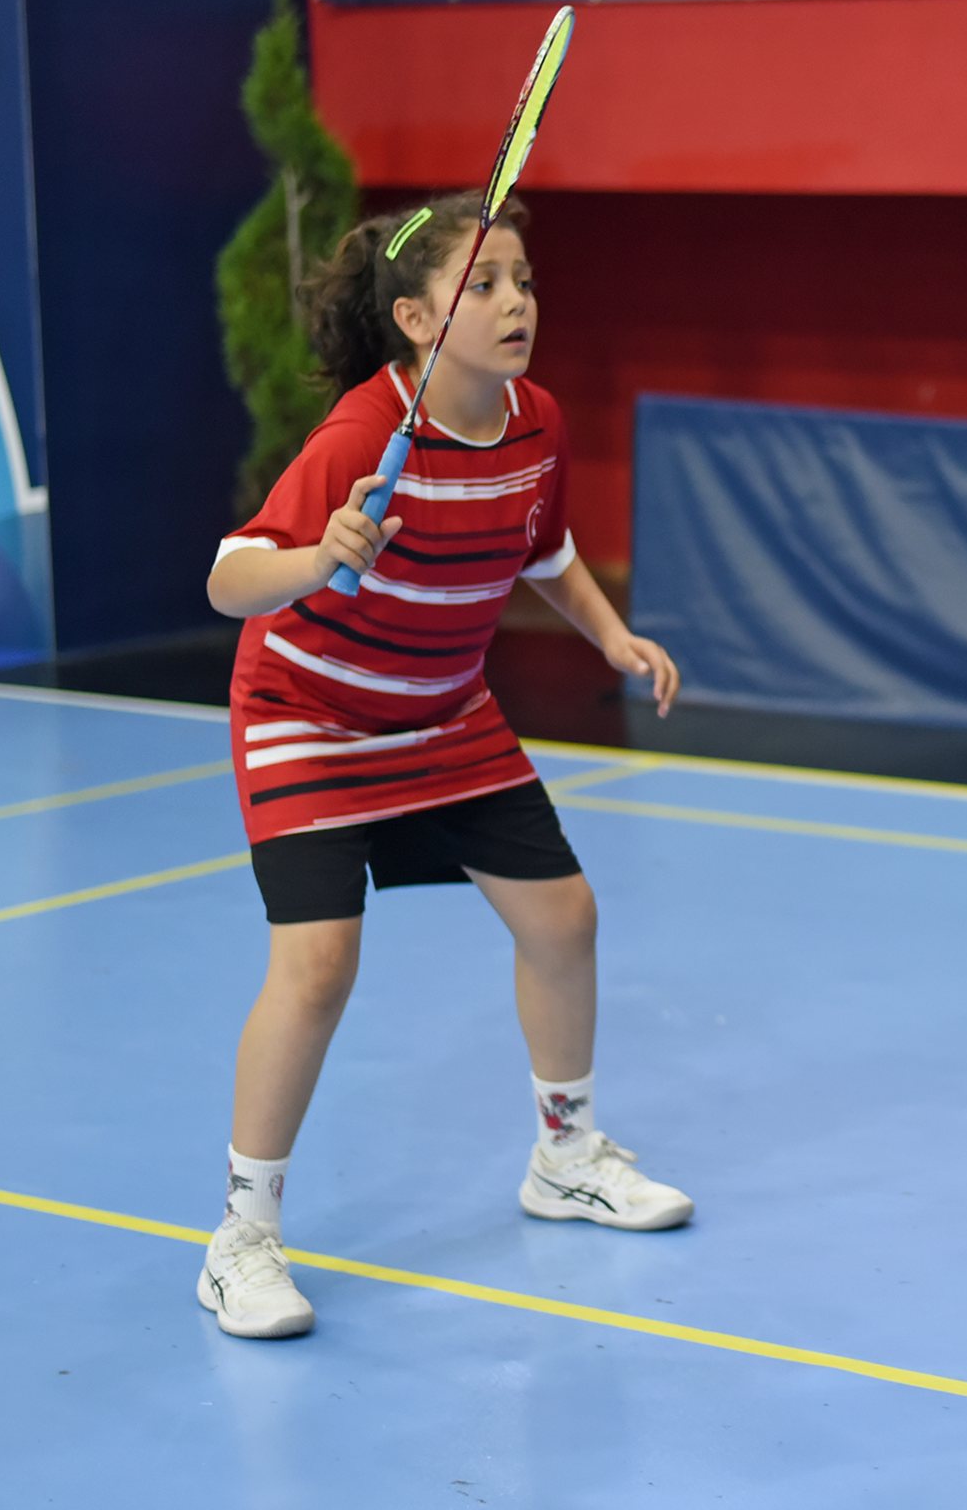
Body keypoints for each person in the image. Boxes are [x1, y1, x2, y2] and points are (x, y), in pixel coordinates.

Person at [197, 192, 689, 1339]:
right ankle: (242, 1238)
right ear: (416, 320)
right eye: (485, 285)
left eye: (524, 280)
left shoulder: (535, 422)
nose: (517, 303)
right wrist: (319, 554)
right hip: (310, 714)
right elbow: (228, 579)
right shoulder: (361, 438)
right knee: (317, 966)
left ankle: (564, 1156)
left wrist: (610, 634)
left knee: (563, 917)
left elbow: (546, 550)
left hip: (443, 711)